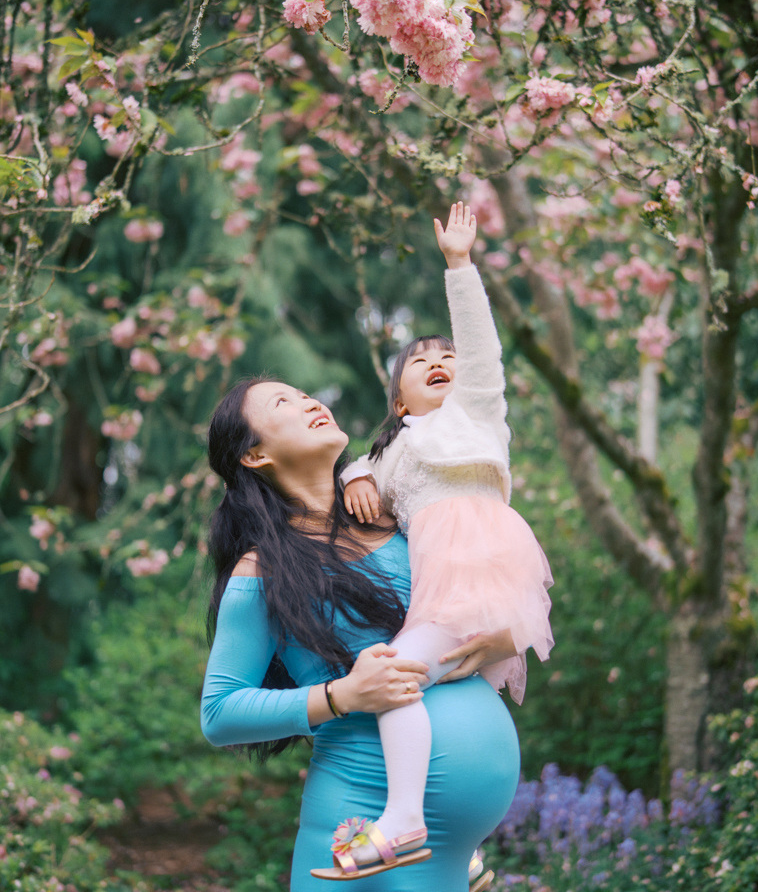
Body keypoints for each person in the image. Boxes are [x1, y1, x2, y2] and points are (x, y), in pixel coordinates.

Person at [201, 368, 521, 889]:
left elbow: (490, 584)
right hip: (362, 824)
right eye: (284, 402)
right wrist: (344, 694)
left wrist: (506, 636)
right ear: (255, 455)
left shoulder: (404, 521)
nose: (309, 401)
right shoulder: (262, 571)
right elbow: (220, 713)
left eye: (307, 391)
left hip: (445, 853)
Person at [324, 201, 554, 878]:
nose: (439, 360)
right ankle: (468, 851)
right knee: (455, 703)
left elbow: (480, 347)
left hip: (481, 572)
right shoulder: (393, 452)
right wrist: (353, 475)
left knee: (395, 678)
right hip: (440, 584)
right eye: (420, 359)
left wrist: (459, 266)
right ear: (397, 401)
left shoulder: (476, 414)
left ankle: (402, 821)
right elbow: (365, 476)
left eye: (445, 356)